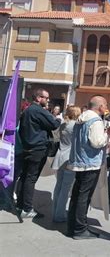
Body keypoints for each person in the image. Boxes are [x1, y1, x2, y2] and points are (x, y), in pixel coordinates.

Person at [67, 95, 108, 239]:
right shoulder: (95, 121)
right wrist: (106, 136)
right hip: (90, 163)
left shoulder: (81, 118)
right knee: (83, 196)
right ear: (100, 106)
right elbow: (96, 142)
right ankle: (80, 229)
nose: (106, 108)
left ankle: (72, 225)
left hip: (79, 161)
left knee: (77, 194)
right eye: (105, 104)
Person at [17, 88, 61, 218]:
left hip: (28, 148)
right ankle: (27, 208)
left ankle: (21, 204)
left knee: (25, 177)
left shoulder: (28, 110)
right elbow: (53, 124)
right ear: (38, 98)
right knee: (30, 178)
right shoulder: (38, 110)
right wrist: (58, 119)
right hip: (37, 149)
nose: (47, 100)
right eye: (46, 98)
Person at [51, 105, 81, 223]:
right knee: (65, 189)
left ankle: (56, 212)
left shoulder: (63, 124)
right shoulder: (75, 126)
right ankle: (60, 215)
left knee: (59, 186)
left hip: (60, 155)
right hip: (69, 157)